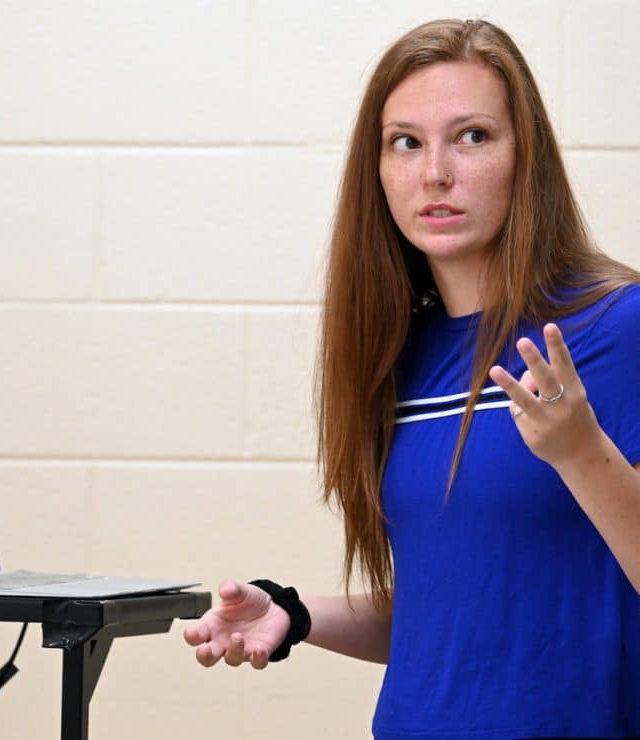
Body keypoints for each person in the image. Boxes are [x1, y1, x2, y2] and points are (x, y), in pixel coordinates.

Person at [183, 18, 640, 739]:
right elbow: (458, 609)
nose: (436, 172)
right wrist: (294, 613)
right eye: (407, 142)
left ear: (528, 158)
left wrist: (583, 455)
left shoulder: (619, 327)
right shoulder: (403, 356)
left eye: (473, 137)